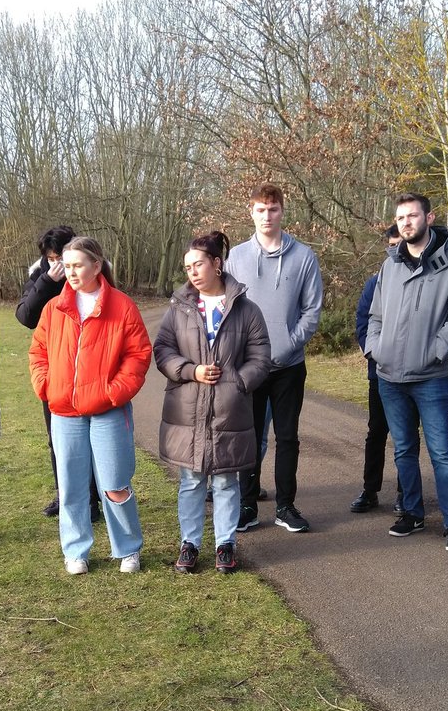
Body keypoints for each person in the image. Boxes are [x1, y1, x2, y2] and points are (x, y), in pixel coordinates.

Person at [29, 236, 151, 575]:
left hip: (108, 410)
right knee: (70, 485)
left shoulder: (123, 306)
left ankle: (127, 548)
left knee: (114, 484)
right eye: (67, 266)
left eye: (78, 265)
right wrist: (46, 386)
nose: (71, 272)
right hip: (64, 412)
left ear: (97, 265)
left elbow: (138, 355)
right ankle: (76, 550)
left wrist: (114, 393)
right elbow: (38, 351)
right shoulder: (54, 308)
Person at [154, 232, 271, 574]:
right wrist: (191, 371)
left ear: (217, 264)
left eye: (199, 264)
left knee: (224, 480)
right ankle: (189, 543)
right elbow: (162, 350)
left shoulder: (246, 309)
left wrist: (236, 383)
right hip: (186, 408)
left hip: (228, 410)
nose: (192, 271)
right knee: (190, 480)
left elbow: (261, 357)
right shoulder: (178, 309)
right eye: (187, 266)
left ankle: (225, 544)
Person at [365, 192, 448, 552]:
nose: (406, 223)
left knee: (441, 452)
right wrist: (375, 348)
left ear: (429, 218)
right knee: (404, 450)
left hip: (430, 377)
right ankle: (411, 513)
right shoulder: (390, 265)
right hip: (390, 377)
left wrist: (436, 351)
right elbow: (375, 315)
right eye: (400, 218)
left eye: (412, 216)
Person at [225, 182, 323, 533]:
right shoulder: (235, 257)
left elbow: (312, 311)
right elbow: (228, 310)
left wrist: (286, 347)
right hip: (248, 369)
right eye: (261, 209)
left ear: (283, 211)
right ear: (250, 211)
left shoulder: (304, 256)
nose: (267, 215)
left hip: (289, 366)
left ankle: (286, 506)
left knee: (288, 437)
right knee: (247, 436)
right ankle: (247, 505)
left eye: (274, 209)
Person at [15, 225, 101, 521]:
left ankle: (95, 498)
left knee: (93, 437)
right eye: (51, 258)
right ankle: (66, 494)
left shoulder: (94, 273)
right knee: (58, 438)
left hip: (92, 371)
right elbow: (25, 316)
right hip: (56, 372)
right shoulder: (40, 275)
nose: (58, 265)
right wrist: (47, 282)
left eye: (61, 258)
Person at [350, 225, 408, 514]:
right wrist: (373, 352)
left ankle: (405, 494)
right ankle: (369, 490)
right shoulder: (375, 283)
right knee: (376, 432)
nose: (397, 249)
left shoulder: (423, 279)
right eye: (392, 244)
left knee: (405, 435)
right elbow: (363, 322)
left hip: (413, 375)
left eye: (401, 243)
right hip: (380, 372)